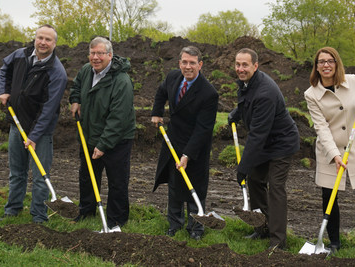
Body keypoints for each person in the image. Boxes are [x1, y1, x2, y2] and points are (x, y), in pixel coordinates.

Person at [304, 47, 355, 255]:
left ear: (336, 63)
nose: (325, 65)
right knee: (328, 195)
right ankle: (334, 243)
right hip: (329, 150)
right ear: (316, 66)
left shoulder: (350, 80)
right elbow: (321, 128)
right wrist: (334, 155)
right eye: (321, 62)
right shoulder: (311, 94)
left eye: (330, 61)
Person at [228, 48, 300, 249]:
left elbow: (257, 136)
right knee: (255, 180)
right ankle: (263, 228)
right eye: (238, 64)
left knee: (276, 188)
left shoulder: (265, 92)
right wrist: (237, 112)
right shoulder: (249, 82)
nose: (240, 69)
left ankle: (278, 241)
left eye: (245, 65)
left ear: (255, 66)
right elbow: (247, 100)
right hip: (266, 141)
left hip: (281, 143)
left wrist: (243, 166)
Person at [0, 24, 67, 223]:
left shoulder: (56, 72)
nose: (43, 42)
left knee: (39, 176)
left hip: (41, 132)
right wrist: (3, 90)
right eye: (40, 38)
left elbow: (49, 108)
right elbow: (4, 68)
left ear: (54, 43)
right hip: (17, 124)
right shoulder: (20, 54)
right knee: (17, 172)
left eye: (48, 40)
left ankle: (38, 215)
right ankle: (12, 209)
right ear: (35, 38)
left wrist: (34, 136)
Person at [151, 46, 219, 240]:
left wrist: (187, 155)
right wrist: (156, 112)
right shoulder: (173, 77)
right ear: (179, 63)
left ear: (200, 65)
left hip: (195, 144)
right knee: (174, 184)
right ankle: (174, 224)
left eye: (192, 63)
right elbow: (161, 91)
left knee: (194, 185)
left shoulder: (208, 93)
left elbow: (203, 129)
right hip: (174, 139)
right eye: (184, 62)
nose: (188, 66)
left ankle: (196, 228)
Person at [69, 36, 135, 230]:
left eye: (100, 53)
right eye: (92, 53)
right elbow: (77, 86)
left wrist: (103, 145)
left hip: (117, 139)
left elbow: (118, 118)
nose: (95, 57)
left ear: (110, 55)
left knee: (117, 180)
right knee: (88, 175)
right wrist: (75, 100)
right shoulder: (86, 71)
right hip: (89, 133)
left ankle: (116, 220)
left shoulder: (121, 81)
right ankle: (86, 211)